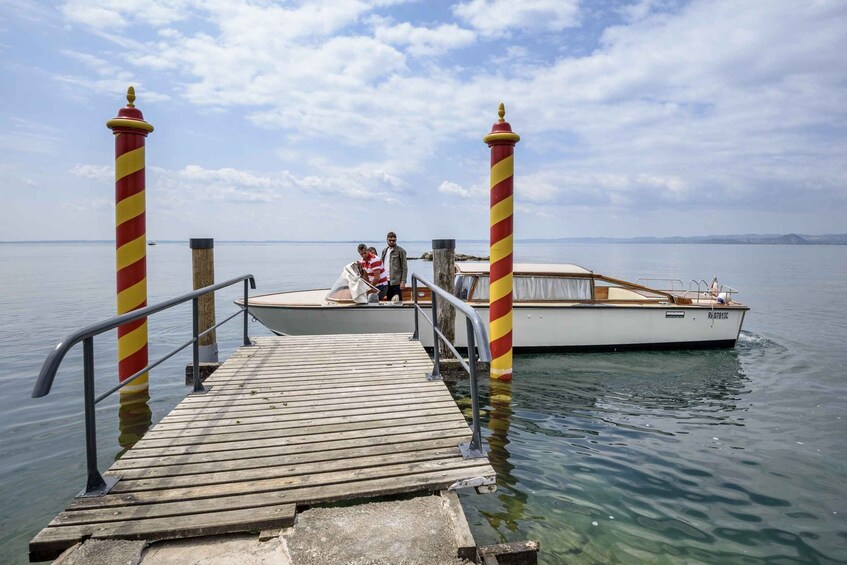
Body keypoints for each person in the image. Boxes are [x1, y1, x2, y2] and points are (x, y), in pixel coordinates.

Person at [380, 231, 408, 302]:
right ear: (387, 240)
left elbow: (404, 267)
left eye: (393, 240)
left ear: (396, 240)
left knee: (398, 302)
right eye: (390, 240)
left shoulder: (400, 251)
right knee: (388, 302)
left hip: (396, 282)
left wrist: (403, 281)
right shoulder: (384, 251)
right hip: (386, 281)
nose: (392, 242)